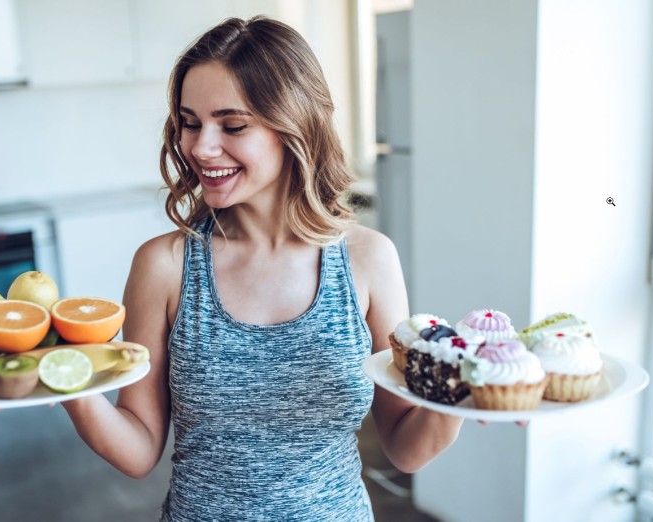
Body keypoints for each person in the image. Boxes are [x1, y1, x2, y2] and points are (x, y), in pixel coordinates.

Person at [62, 16, 463, 521]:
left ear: (294, 127)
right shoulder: (164, 266)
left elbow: (406, 448)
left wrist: (460, 397)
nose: (201, 148)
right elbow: (139, 449)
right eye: (190, 122)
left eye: (232, 126)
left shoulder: (367, 260)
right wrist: (69, 384)